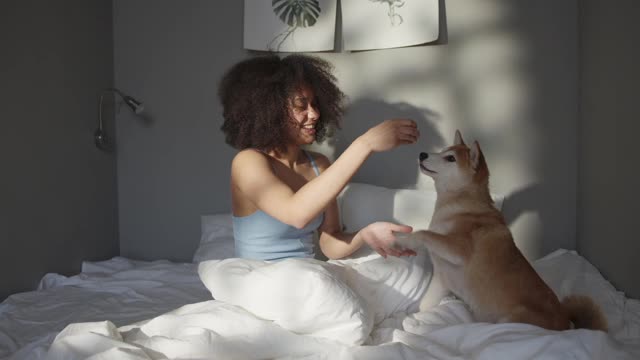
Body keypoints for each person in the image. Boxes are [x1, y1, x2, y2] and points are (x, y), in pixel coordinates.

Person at [219, 54, 419, 261]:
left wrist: (364, 235)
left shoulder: (318, 164)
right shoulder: (248, 162)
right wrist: (365, 144)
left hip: (304, 276)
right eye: (301, 105)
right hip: (260, 279)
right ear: (270, 111)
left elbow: (329, 243)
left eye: (314, 104)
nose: (314, 114)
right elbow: (297, 215)